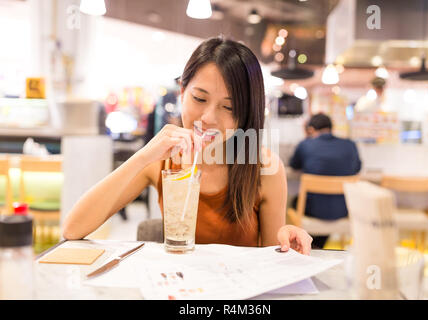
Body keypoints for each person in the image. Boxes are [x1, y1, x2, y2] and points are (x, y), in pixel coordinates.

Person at [62, 36, 312, 254]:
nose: (208, 118)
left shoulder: (263, 167)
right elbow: (73, 228)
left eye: (229, 107)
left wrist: (287, 241)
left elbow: (272, 261)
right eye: (199, 98)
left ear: (245, 114)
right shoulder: (161, 159)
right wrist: (143, 156)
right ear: (182, 91)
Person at [289, 113, 361, 248]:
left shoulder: (306, 144)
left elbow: (294, 165)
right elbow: (357, 168)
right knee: (326, 203)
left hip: (314, 210)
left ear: (310, 130)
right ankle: (317, 246)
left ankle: (309, 246)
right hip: (343, 210)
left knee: (294, 202)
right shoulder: (350, 145)